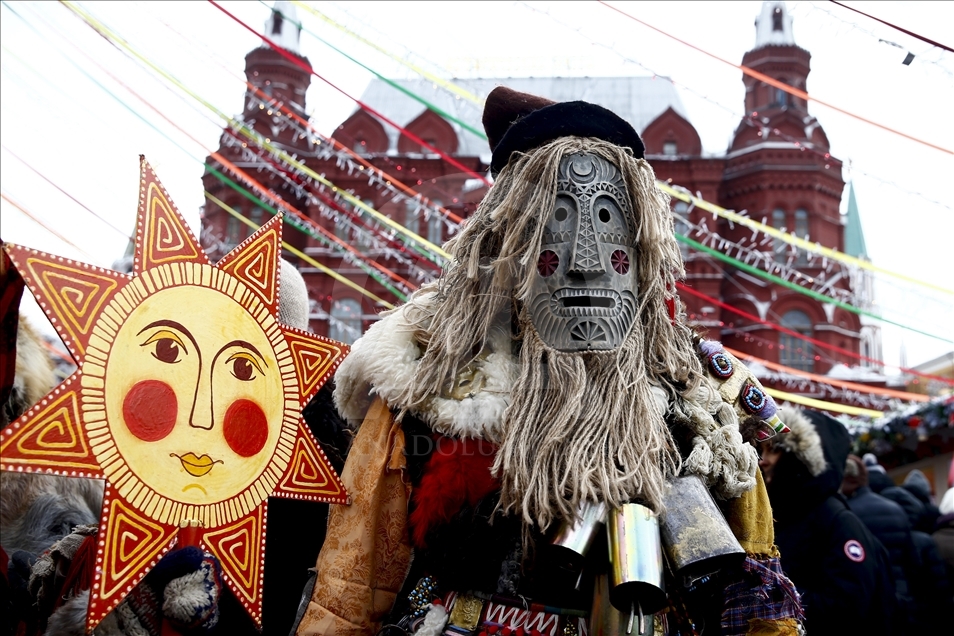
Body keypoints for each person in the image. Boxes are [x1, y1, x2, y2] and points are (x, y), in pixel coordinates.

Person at [296, 87, 802, 636]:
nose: (585, 263)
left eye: (608, 219)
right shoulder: (427, 384)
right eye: (553, 223)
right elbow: (348, 595)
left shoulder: (700, 403)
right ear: (502, 245)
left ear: (644, 247)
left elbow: (756, 606)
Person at [759, 407, 896, 635]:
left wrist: (771, 592)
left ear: (800, 457)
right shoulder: (781, 515)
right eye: (762, 449)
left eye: (773, 450)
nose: (763, 460)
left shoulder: (837, 522)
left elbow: (848, 607)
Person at [840, 454, 917, 626]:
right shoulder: (895, 509)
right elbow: (913, 560)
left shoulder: (846, 516)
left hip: (873, 600)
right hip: (902, 594)